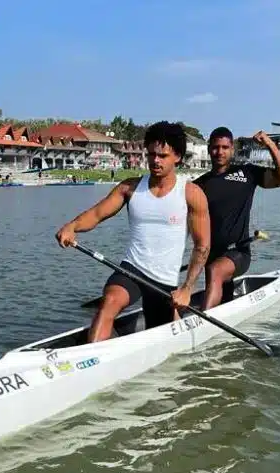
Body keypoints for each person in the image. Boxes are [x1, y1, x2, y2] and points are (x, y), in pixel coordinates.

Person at [56, 121, 211, 343]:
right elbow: (97, 214)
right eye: (151, 154)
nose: (155, 161)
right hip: (132, 269)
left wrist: (187, 289)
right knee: (109, 302)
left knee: (163, 330)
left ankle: (175, 322)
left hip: (164, 281)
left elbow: (202, 246)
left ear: (177, 156)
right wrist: (72, 226)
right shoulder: (129, 187)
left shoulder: (191, 194)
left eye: (163, 156)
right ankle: (92, 356)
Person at [193, 127, 280, 310]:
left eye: (225, 147)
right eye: (215, 147)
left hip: (238, 252)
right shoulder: (198, 186)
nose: (220, 152)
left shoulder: (247, 173)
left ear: (232, 149)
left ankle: (204, 320)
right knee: (220, 291)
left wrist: (270, 145)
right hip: (211, 254)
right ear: (209, 149)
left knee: (215, 271)